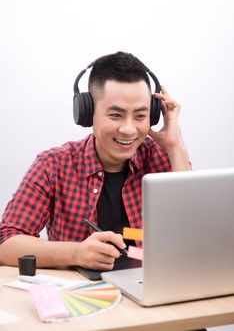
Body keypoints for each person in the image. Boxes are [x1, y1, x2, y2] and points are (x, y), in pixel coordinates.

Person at [0, 51, 191, 270]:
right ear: (88, 113)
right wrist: (77, 253)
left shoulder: (161, 157)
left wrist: (175, 146)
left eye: (140, 116)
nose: (129, 129)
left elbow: (191, 233)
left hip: (146, 282)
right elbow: (6, 241)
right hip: (80, 293)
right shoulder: (53, 165)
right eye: (116, 115)